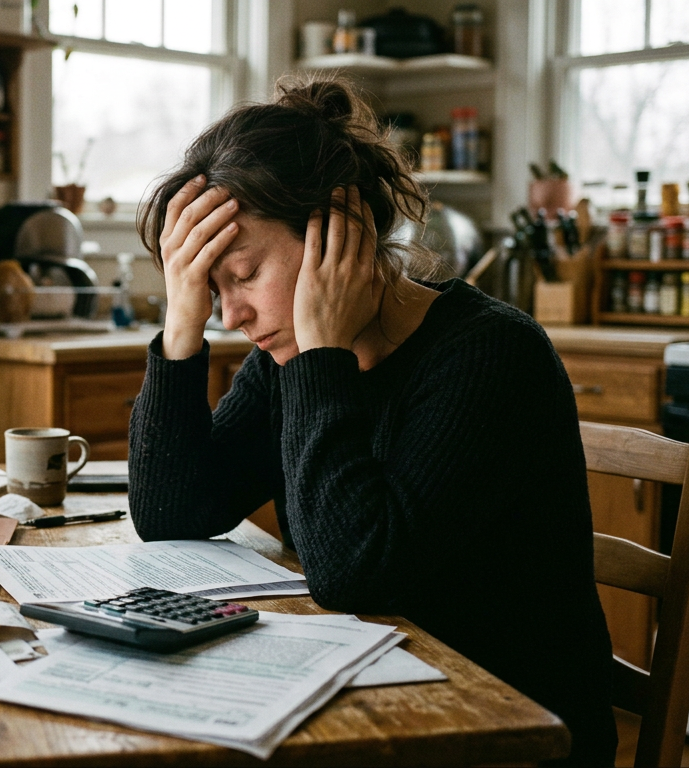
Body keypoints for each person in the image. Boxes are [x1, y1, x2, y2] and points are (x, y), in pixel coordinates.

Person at [128, 73, 616, 765]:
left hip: (500, 731)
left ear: (341, 231)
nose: (230, 315)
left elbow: (355, 573)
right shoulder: (288, 357)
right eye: (211, 287)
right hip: (376, 700)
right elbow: (170, 512)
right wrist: (181, 324)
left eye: (244, 273)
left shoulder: (491, 355)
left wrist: (321, 352)